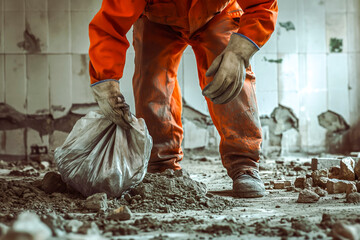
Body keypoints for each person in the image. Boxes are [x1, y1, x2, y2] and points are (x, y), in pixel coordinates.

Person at [89, 0, 278, 198]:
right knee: (152, 80)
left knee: (229, 73)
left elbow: (263, 3)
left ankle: (244, 164)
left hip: (217, 14)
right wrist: (105, 79)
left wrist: (240, 50)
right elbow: (110, 22)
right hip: (157, 19)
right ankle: (163, 167)